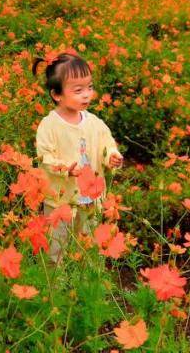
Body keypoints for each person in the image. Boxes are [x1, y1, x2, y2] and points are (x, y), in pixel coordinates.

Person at [32, 52, 123, 263]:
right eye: (78, 90)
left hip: (90, 198)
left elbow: (107, 143)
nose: (86, 95)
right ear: (57, 94)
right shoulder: (49, 124)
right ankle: (57, 285)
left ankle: (84, 280)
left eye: (89, 87)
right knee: (58, 244)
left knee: (88, 243)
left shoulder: (94, 122)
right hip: (60, 200)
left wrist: (112, 156)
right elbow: (44, 156)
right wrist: (65, 168)